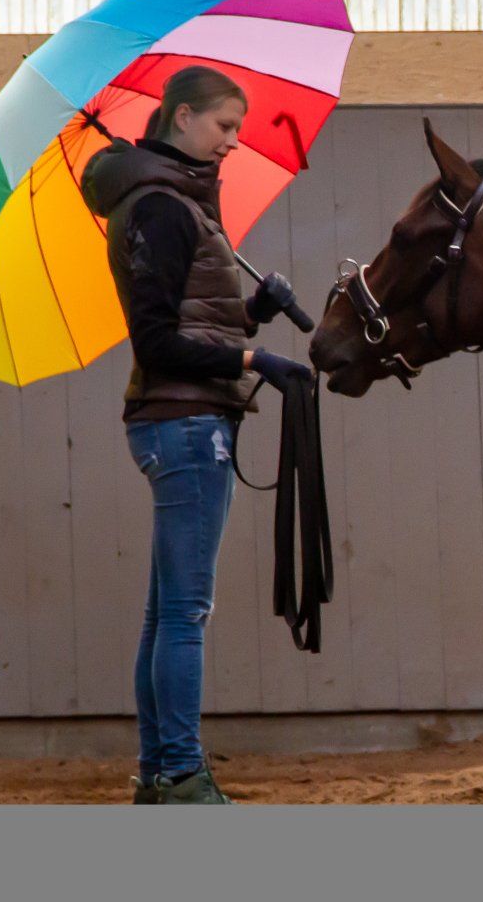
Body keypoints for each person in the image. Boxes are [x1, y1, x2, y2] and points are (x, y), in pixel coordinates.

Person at [81, 65, 313, 805]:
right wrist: (254, 359)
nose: (233, 142)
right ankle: (180, 772)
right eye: (224, 126)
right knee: (185, 614)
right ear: (181, 118)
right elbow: (157, 342)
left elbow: (193, 322)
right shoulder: (161, 208)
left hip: (179, 422)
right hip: (185, 427)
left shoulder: (174, 203)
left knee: (166, 614)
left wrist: (253, 314)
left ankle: (160, 775)